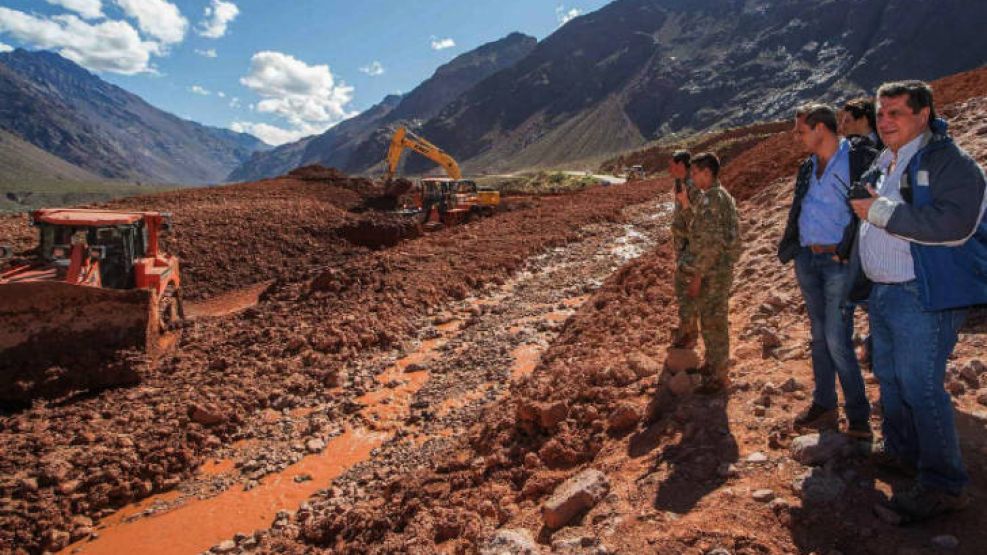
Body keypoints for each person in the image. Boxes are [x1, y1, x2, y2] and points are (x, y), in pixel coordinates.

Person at [848, 80, 987, 521]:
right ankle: (904, 452)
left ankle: (945, 484)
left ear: (923, 115)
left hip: (922, 293)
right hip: (885, 291)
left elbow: (955, 225)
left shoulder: (951, 163)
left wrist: (881, 213)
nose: (885, 121)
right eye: (881, 112)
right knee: (889, 375)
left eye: (896, 113)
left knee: (919, 385)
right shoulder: (887, 160)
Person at [778, 103, 877, 437]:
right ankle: (824, 402)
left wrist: (845, 249)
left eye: (801, 130)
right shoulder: (808, 166)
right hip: (807, 259)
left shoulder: (857, 160)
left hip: (838, 261)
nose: (796, 136)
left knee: (837, 338)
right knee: (819, 335)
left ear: (821, 128)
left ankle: (859, 417)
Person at [678, 152, 739, 392]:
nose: (692, 178)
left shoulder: (714, 199)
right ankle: (713, 366)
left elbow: (711, 243)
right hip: (716, 270)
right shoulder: (716, 197)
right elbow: (704, 230)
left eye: (694, 173)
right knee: (711, 320)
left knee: (714, 323)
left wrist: (697, 276)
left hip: (713, 272)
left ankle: (719, 377)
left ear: (706, 172)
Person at [669, 150, 701, 349]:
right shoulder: (681, 184)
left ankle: (688, 334)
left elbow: (697, 220)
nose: (669, 169)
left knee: (686, 291)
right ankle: (687, 329)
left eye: (672, 164)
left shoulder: (692, 186)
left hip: (692, 248)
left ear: (681, 165)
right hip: (683, 246)